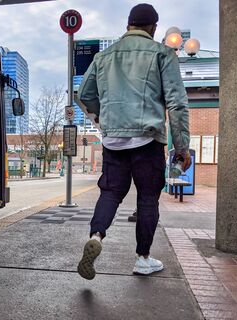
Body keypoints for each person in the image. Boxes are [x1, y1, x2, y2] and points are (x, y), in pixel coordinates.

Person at [77, 3, 191, 279]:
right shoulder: (163, 53)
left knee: (111, 192)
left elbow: (84, 93)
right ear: (152, 28)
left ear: (128, 25)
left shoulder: (103, 57)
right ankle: (143, 258)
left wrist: (105, 119)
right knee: (148, 198)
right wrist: (181, 146)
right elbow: (176, 104)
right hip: (147, 139)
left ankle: (96, 236)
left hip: (114, 139)